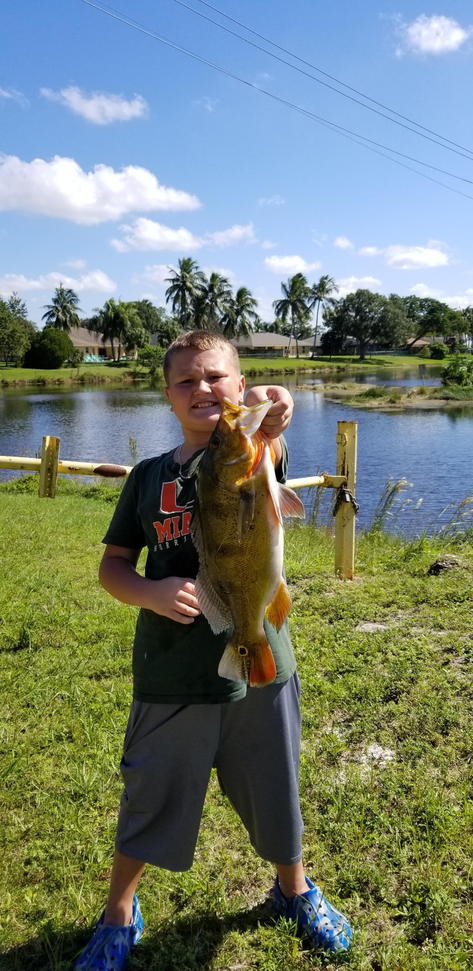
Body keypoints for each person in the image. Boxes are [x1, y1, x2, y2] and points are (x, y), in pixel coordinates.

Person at [73, 331, 352, 970]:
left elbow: (275, 415)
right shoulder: (147, 477)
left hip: (262, 659)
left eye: (217, 378)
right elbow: (113, 567)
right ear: (167, 395)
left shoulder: (254, 454)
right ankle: (120, 909)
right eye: (186, 382)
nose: (203, 390)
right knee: (152, 789)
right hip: (171, 671)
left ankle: (294, 889)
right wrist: (150, 591)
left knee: (274, 785)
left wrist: (275, 405)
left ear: (238, 385)